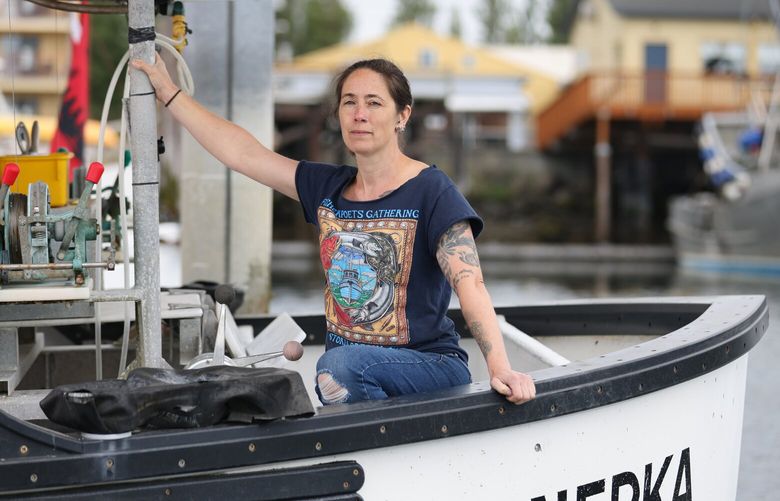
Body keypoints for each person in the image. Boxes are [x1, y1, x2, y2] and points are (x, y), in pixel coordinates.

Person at [132, 55, 536, 406]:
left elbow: (470, 284)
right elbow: (243, 154)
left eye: (374, 103)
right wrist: (170, 94)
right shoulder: (326, 187)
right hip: (349, 370)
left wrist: (500, 368)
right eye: (349, 102)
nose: (360, 114)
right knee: (331, 371)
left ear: (402, 116)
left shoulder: (432, 190)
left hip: (430, 366)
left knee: (337, 368)